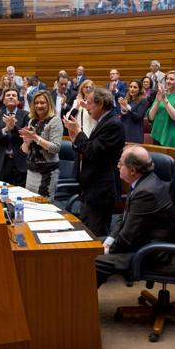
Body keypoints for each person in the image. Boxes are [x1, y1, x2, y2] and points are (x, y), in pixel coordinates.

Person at [95, 145, 175, 288]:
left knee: (93, 259)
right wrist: (109, 240)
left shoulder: (146, 192)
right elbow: (123, 218)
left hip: (150, 251)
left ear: (132, 170)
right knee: (87, 245)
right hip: (139, 242)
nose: (118, 166)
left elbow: (127, 237)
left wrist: (107, 250)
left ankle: (80, 307)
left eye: (121, 163)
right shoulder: (142, 182)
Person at [62, 87, 125, 237]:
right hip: (91, 187)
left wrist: (78, 133)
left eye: (89, 103)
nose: (87, 107)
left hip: (101, 189)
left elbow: (93, 152)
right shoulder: (103, 121)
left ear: (101, 104)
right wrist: (74, 138)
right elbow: (88, 148)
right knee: (86, 232)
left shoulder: (113, 124)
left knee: (96, 236)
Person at [19, 91, 64, 201]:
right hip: (31, 170)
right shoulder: (32, 121)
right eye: (36, 103)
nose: (39, 105)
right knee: (29, 204)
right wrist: (26, 142)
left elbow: (55, 148)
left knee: (44, 208)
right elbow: (25, 151)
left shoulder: (55, 121)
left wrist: (36, 138)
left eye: (42, 103)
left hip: (47, 172)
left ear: (49, 104)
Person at [0, 88, 30, 185]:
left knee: (21, 193)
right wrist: (6, 129)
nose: (11, 97)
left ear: (18, 100)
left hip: (20, 161)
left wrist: (14, 127)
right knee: (2, 193)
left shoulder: (26, 115)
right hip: (2, 161)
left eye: (14, 95)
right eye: (8, 95)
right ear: (3, 100)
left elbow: (27, 136)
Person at [147, 70, 175, 149]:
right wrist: (158, 101)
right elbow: (151, 117)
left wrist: (165, 100)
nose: (168, 81)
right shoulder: (160, 94)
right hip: (157, 134)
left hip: (172, 136)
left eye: (171, 79)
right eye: (167, 79)